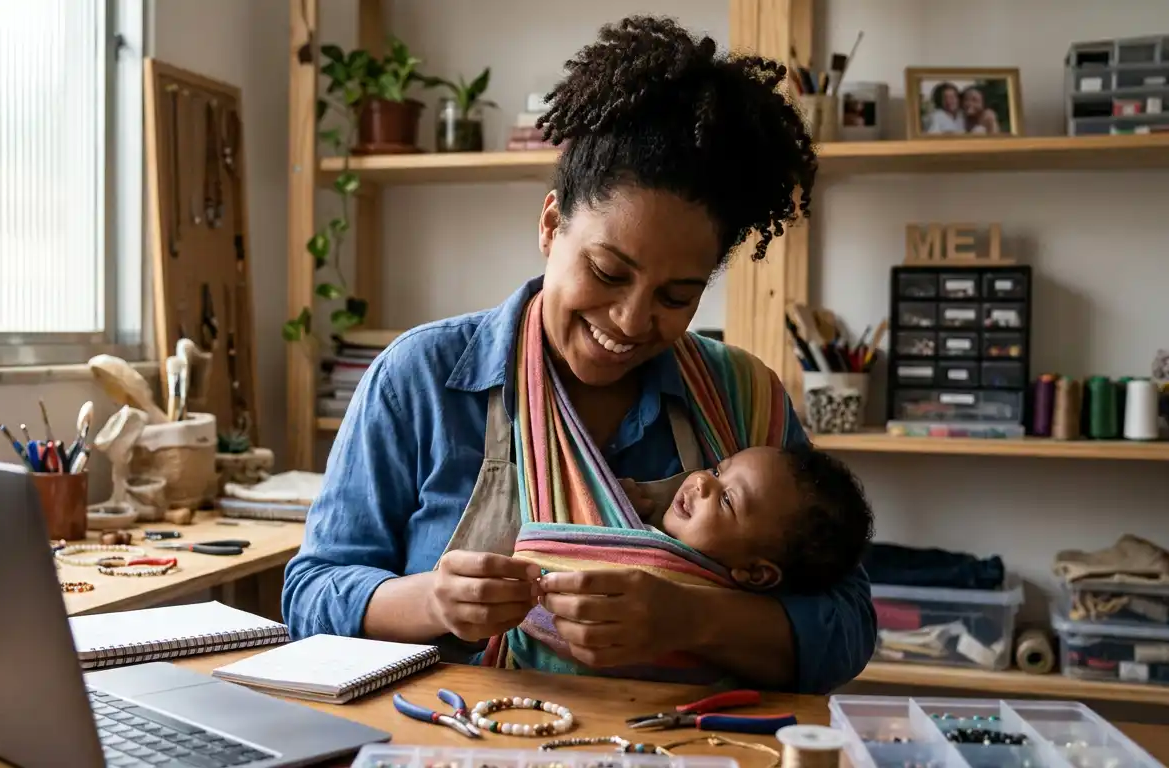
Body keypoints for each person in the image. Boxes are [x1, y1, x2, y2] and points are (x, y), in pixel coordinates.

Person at [282, 15, 876, 694]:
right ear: (550, 224)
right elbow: (309, 594)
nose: (631, 320)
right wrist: (430, 603)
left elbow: (848, 627)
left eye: (677, 295)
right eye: (608, 272)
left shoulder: (744, 400)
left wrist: (690, 618)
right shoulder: (421, 380)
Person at [624, 445, 874, 595]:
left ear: (756, 573)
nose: (702, 481)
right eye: (717, 471)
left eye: (727, 500)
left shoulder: (684, 597)